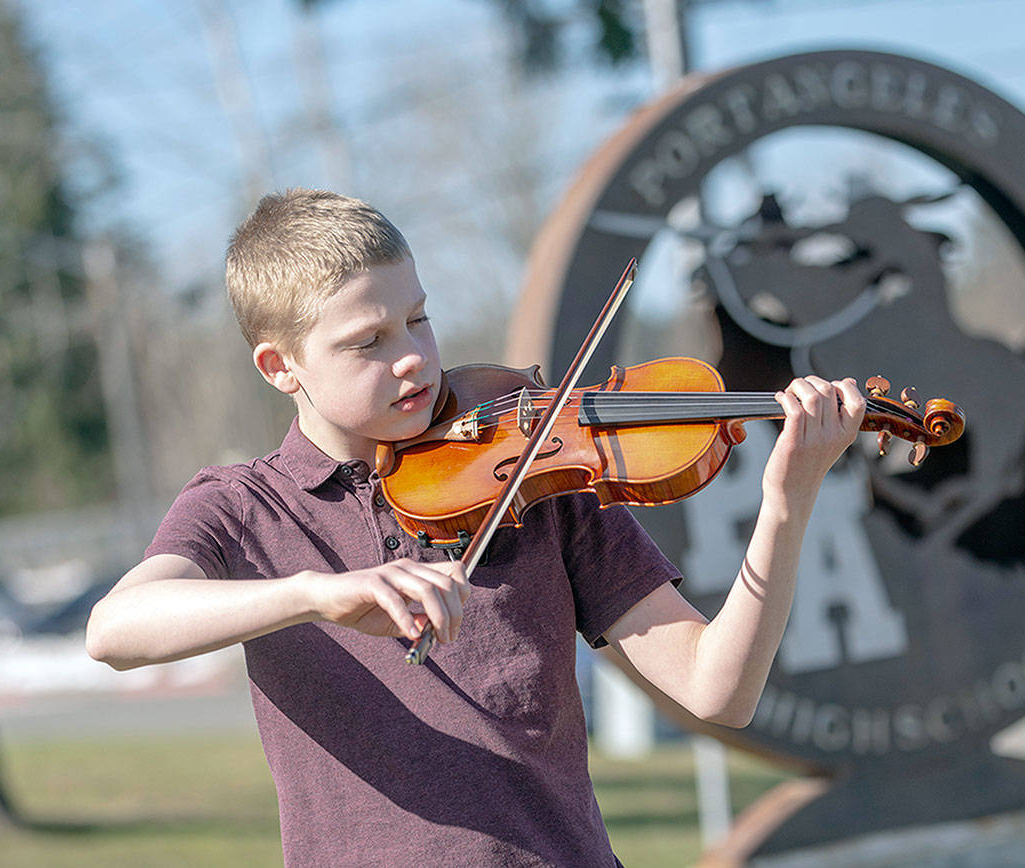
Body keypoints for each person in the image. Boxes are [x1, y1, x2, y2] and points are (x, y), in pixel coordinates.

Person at [85, 189, 866, 866]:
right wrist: (316, 595)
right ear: (280, 367)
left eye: (419, 320)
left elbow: (717, 690)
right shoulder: (243, 508)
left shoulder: (538, 473)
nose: (414, 360)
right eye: (368, 342)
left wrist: (788, 503)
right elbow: (116, 630)